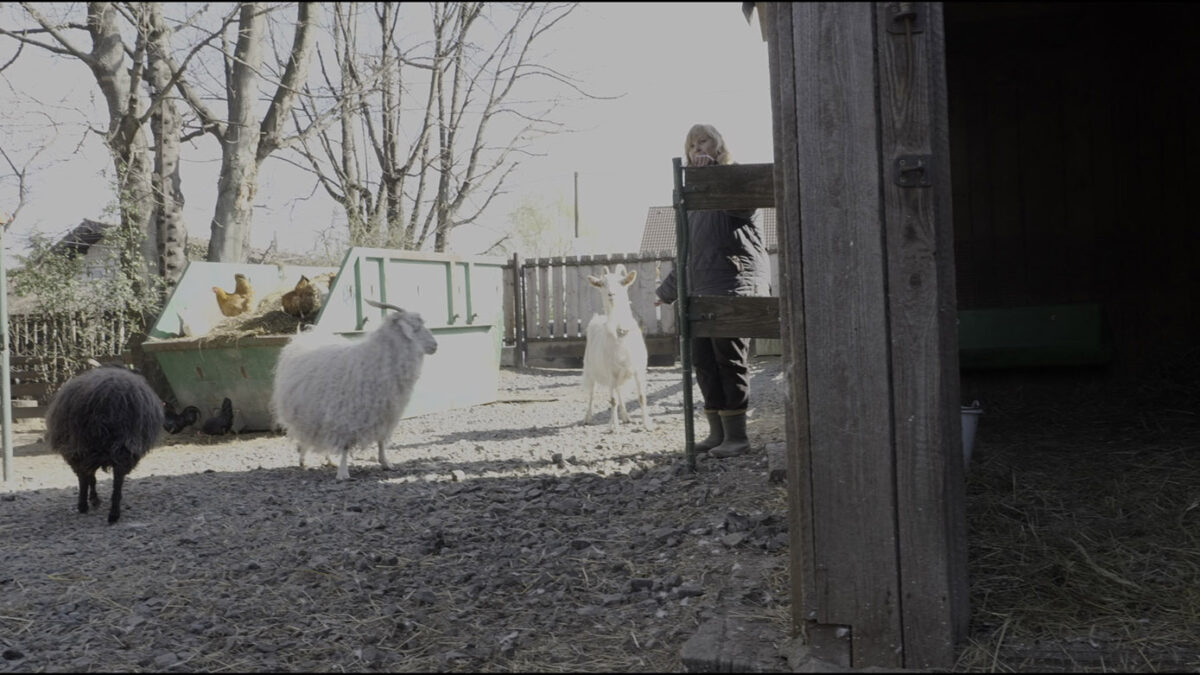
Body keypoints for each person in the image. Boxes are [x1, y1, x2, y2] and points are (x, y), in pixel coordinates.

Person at [655, 123, 771, 459]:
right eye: (691, 145)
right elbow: (687, 252)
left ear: (718, 145)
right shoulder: (691, 200)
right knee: (703, 361)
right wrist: (668, 290)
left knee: (729, 359)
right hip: (699, 288)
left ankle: (738, 437)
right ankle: (716, 433)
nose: (697, 149)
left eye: (703, 141)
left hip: (733, 284)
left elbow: (742, 208)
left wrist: (717, 177)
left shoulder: (735, 182)